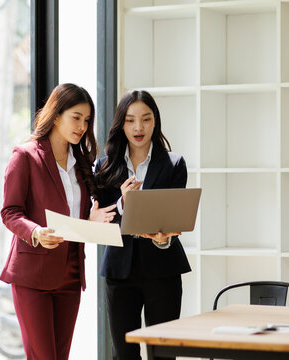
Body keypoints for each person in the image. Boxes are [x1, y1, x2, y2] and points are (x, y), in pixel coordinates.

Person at [0, 83, 116, 360]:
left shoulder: (83, 163)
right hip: (32, 275)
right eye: (76, 117)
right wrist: (37, 232)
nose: (82, 126)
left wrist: (91, 220)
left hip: (71, 274)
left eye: (86, 120)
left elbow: (77, 216)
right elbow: (10, 211)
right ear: (55, 115)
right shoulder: (25, 156)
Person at [95, 90, 191, 360]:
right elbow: (103, 220)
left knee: (163, 353)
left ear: (155, 122)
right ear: (120, 124)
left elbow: (172, 219)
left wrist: (162, 238)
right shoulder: (103, 167)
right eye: (130, 120)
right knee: (123, 354)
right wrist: (125, 203)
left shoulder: (174, 164)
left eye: (146, 119)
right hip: (120, 270)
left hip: (163, 269)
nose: (138, 127)